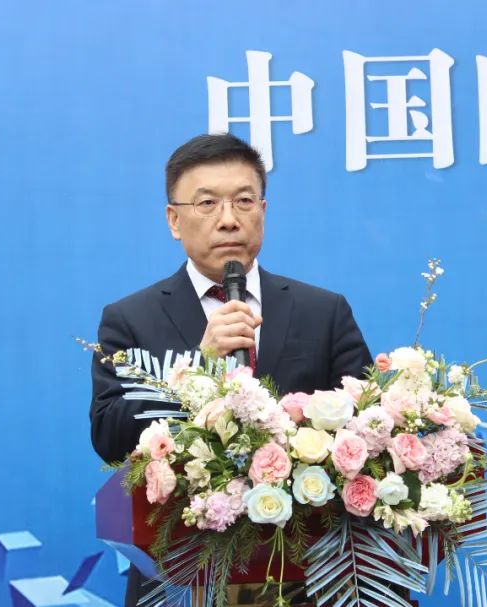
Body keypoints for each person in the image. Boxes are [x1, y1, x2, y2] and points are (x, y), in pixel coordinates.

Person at [89, 133, 373, 606]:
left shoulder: (322, 312)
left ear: (263, 210)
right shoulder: (129, 320)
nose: (228, 219)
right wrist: (198, 367)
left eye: (243, 201)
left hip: (310, 576)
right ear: (174, 220)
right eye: (207, 204)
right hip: (183, 579)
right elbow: (109, 436)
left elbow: (365, 434)